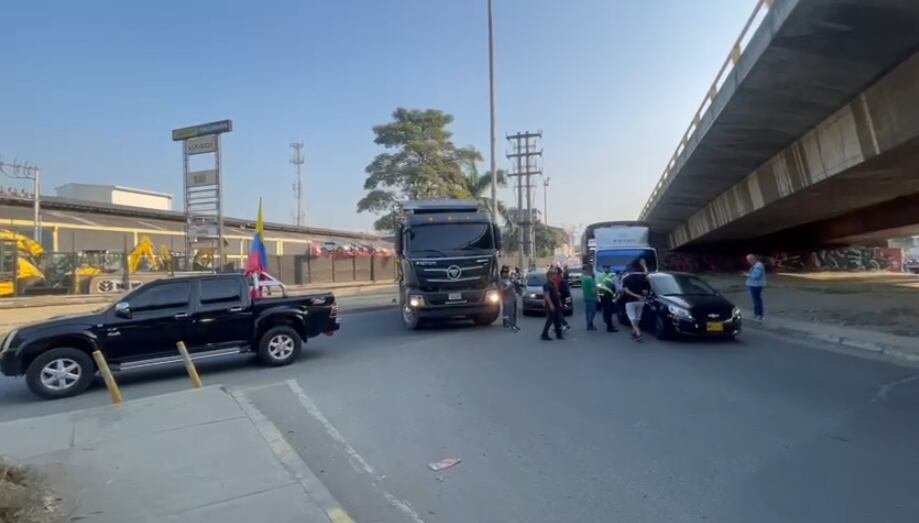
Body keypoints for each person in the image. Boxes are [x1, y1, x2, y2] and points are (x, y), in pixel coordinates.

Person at [621, 258, 650, 341]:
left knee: (632, 318)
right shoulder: (641, 277)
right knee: (637, 318)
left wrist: (636, 295)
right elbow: (647, 274)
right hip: (641, 301)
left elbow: (626, 291)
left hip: (630, 301)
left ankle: (638, 333)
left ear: (628, 271)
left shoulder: (626, 279)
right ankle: (633, 333)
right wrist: (644, 265)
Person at [541, 269, 564, 341]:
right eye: (554, 274)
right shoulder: (546, 284)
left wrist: (559, 302)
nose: (556, 276)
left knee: (557, 320)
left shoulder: (553, 283)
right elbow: (547, 295)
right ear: (550, 275)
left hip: (556, 304)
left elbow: (556, 293)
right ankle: (544, 334)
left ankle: (559, 334)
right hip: (551, 304)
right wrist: (550, 304)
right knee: (550, 320)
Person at [596, 266, 619, 332]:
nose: (607, 269)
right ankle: (609, 326)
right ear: (603, 269)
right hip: (605, 295)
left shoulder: (612, 276)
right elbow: (598, 285)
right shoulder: (600, 276)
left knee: (608, 310)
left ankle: (608, 323)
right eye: (606, 268)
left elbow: (615, 286)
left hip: (608, 295)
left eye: (608, 268)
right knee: (608, 310)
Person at [745, 254, 766, 321]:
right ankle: (757, 314)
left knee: (757, 300)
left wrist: (747, 275)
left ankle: (759, 315)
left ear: (752, 259)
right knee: (756, 300)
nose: (748, 262)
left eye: (749, 260)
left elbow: (755, 276)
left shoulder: (758, 266)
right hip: (754, 285)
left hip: (756, 285)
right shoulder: (756, 265)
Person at [499, 266, 520, 332]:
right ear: (502, 273)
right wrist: (509, 287)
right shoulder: (501, 281)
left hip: (513, 298)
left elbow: (514, 286)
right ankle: (512, 326)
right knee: (510, 313)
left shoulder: (509, 279)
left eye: (507, 272)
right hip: (508, 299)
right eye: (505, 272)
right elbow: (502, 290)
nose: (506, 273)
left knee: (514, 313)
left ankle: (514, 325)